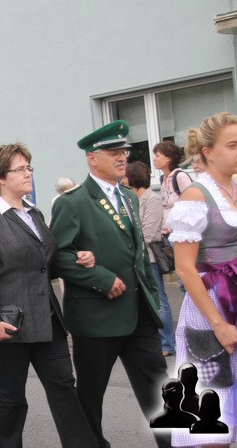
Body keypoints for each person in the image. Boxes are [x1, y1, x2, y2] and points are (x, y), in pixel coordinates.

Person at [0, 144, 97, 448]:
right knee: (11, 396)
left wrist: (79, 257)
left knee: (64, 387)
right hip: (8, 323)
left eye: (29, 168)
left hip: (48, 319)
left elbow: (44, 263)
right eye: (20, 169)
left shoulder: (33, 212)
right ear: (1, 177)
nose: (28, 174)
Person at [49, 120, 169, 448]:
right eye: (113, 152)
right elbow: (58, 257)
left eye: (124, 152)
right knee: (91, 395)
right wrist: (101, 278)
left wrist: (152, 296)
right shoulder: (72, 202)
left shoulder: (129, 196)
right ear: (92, 158)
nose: (121, 157)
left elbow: (137, 254)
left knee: (159, 388)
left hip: (138, 313)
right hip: (97, 318)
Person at [166, 111, 237, 447]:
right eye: (232, 145)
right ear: (208, 152)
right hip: (212, 305)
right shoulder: (196, 196)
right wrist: (218, 324)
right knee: (213, 411)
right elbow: (185, 268)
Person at [125, 161, 176, 357]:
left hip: (149, 258)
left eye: (125, 175)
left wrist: (127, 245)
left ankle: (167, 343)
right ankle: (151, 341)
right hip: (136, 257)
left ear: (133, 177)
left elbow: (147, 233)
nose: (122, 179)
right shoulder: (130, 199)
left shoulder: (151, 199)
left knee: (159, 300)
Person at [153, 141, 193, 235]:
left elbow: (192, 206)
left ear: (168, 158)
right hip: (166, 234)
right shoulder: (163, 179)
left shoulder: (180, 176)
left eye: (157, 156)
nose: (154, 159)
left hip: (180, 233)